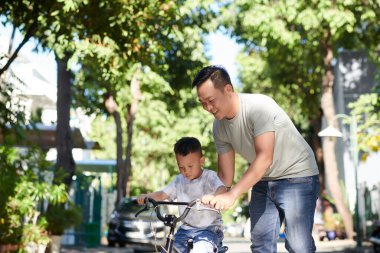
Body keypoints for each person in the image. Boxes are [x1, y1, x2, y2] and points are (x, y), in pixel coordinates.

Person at [192, 65, 320, 253]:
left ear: (228, 90)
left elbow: (265, 157)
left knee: (298, 245)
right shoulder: (219, 127)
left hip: (298, 176)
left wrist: (233, 194)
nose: (208, 108)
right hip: (264, 179)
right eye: (202, 103)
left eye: (211, 100)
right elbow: (226, 177)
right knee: (261, 245)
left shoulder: (258, 106)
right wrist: (216, 195)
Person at [137, 136, 227, 253]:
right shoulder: (179, 180)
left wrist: (214, 197)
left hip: (209, 229)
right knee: (168, 249)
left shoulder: (209, 177)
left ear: (201, 161)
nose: (186, 171)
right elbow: (162, 194)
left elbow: (222, 189)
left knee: (200, 250)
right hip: (185, 229)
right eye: (181, 167)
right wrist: (147, 196)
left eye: (190, 166)